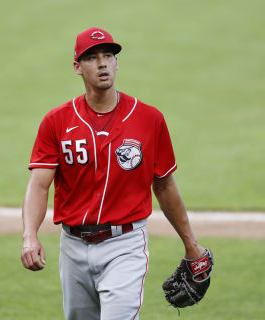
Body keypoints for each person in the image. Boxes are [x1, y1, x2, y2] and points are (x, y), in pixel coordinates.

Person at [20, 27, 208, 320]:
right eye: (92, 58)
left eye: (108, 55)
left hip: (125, 245)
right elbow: (39, 184)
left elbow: (165, 186)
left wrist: (191, 245)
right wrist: (29, 235)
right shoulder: (56, 122)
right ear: (77, 67)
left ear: (117, 63)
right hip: (73, 246)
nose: (102, 63)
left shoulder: (149, 119)